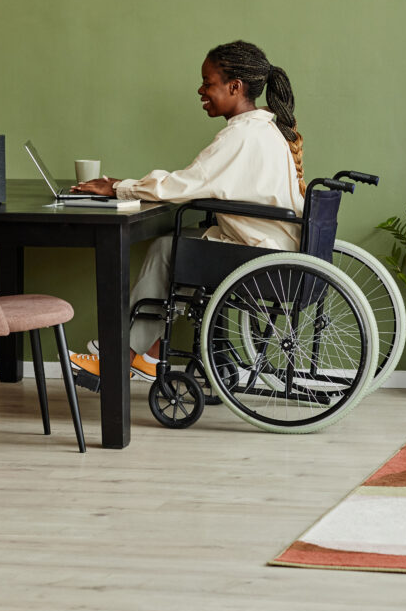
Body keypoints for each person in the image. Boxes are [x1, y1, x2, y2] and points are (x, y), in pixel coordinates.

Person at [68, 40, 306, 383]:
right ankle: (150, 353)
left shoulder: (241, 136)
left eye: (208, 83)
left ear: (234, 87)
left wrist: (119, 187)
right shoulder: (266, 128)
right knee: (190, 246)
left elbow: (183, 185)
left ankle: (122, 356)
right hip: (272, 247)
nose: (201, 90)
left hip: (261, 257)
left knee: (170, 249)